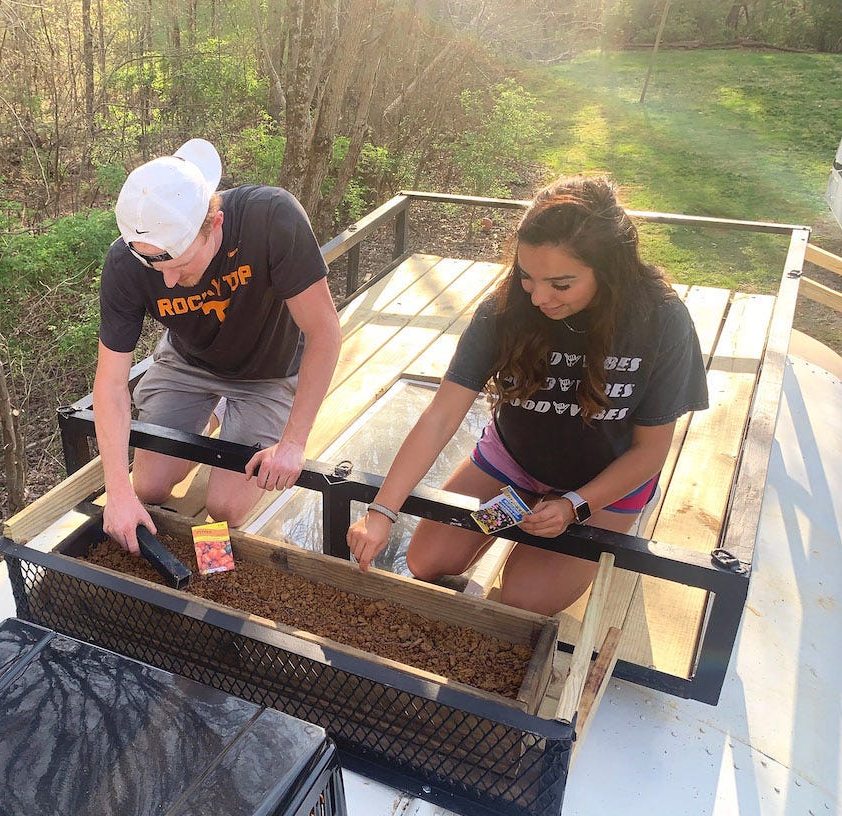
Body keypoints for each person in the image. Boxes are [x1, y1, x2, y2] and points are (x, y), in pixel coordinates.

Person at [347, 176, 709, 614]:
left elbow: (651, 452)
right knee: (426, 561)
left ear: (609, 270)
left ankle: (580, 523)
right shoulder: (505, 309)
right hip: (515, 474)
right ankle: (525, 509)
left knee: (523, 598)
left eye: (561, 284)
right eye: (526, 277)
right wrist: (383, 511)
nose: (539, 297)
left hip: (602, 486)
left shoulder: (661, 320)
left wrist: (574, 505)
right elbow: (441, 417)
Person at [94, 139, 341, 554]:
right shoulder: (124, 263)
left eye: (179, 265)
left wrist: (294, 443)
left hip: (270, 370)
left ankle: (231, 413)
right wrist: (118, 492)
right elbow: (111, 384)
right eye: (155, 266)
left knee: (225, 507)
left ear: (217, 224)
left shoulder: (271, 219)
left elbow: (325, 332)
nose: (167, 282)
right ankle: (211, 412)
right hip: (188, 363)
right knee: (149, 487)